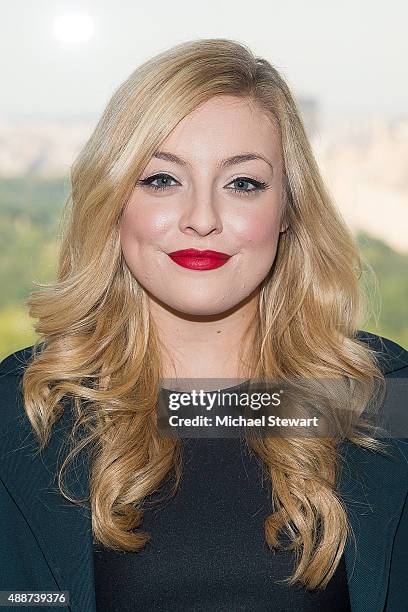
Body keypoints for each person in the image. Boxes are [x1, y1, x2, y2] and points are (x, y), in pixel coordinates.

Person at [1, 38, 407, 612]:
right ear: (113, 200)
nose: (203, 219)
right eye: (162, 180)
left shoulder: (379, 398)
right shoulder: (27, 411)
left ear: (288, 209)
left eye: (243, 183)